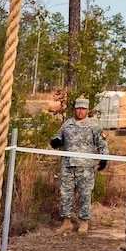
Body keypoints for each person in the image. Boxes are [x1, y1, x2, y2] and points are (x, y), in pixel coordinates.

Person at [50, 96, 109, 235]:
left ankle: (83, 222)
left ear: (87, 110)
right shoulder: (67, 124)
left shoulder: (93, 125)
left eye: (83, 109)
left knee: (85, 194)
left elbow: (102, 143)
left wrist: (104, 158)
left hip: (85, 168)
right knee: (65, 194)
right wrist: (55, 142)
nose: (80, 111)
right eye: (78, 108)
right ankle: (66, 222)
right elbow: (58, 137)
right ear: (74, 109)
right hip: (68, 166)